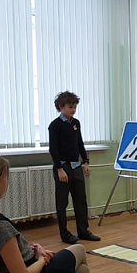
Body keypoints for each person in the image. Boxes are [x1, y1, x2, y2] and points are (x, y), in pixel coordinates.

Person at [48, 91, 100, 244]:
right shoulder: (55, 125)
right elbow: (53, 149)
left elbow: (79, 143)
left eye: (75, 107)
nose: (73, 110)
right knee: (62, 203)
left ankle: (83, 231)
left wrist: (85, 162)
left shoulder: (76, 123)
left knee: (80, 200)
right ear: (61, 107)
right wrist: (59, 169)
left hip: (76, 166)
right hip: (63, 167)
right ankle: (65, 234)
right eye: (70, 107)